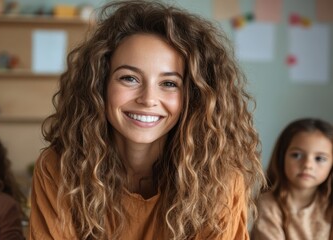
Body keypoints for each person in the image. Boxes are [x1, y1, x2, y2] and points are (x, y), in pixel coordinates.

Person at [29, 0, 266, 239]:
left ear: (194, 97)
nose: (148, 99)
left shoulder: (220, 178)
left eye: (169, 83)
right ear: (100, 84)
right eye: (129, 78)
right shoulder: (58, 168)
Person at [251, 118, 333, 239]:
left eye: (319, 158)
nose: (307, 165)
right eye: (297, 155)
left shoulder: (329, 205)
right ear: (282, 157)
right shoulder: (268, 205)